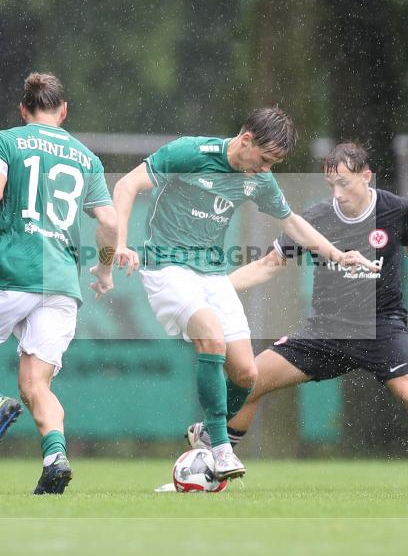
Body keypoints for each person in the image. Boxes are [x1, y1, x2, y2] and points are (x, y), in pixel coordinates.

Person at [186, 142, 408, 491]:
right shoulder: (316, 218)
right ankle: (209, 468)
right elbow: (269, 264)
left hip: (382, 328)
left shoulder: (396, 210)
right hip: (325, 331)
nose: (337, 193)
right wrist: (217, 289)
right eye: (331, 184)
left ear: (366, 176)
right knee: (249, 381)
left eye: (344, 183)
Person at [112, 109, 377, 481]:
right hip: (167, 267)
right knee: (211, 335)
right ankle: (220, 449)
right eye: (264, 159)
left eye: (273, 164)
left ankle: (206, 432)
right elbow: (126, 185)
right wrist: (121, 243)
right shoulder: (191, 153)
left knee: (246, 373)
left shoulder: (259, 179)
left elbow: (291, 222)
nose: (265, 169)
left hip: (211, 273)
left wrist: (336, 254)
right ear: (246, 140)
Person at [0, 72, 117, 495]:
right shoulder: (87, 158)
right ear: (64, 111)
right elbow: (110, 222)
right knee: (36, 385)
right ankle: (55, 456)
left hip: (16, 270)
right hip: (62, 281)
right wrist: (104, 270)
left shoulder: (7, 141)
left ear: (23, 109)